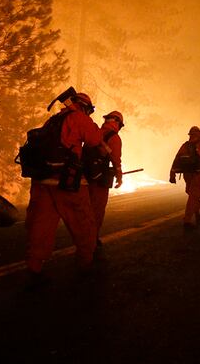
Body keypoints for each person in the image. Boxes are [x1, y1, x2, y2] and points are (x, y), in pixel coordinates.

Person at [25, 92, 102, 285]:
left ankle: (34, 266)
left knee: (41, 226)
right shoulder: (79, 118)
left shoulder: (53, 120)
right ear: (84, 107)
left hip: (44, 182)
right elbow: (94, 139)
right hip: (68, 182)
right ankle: (86, 264)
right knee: (83, 221)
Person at [85, 111, 124, 249]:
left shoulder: (96, 133)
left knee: (86, 209)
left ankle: (85, 238)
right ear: (117, 123)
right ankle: (91, 240)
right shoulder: (114, 137)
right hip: (100, 180)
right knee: (97, 210)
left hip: (86, 177)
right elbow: (116, 160)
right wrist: (119, 176)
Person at [169, 126, 200, 228]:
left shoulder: (184, 146)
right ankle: (187, 220)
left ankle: (197, 215)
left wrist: (172, 174)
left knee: (193, 195)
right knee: (194, 195)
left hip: (187, 175)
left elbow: (176, 160)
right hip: (197, 175)